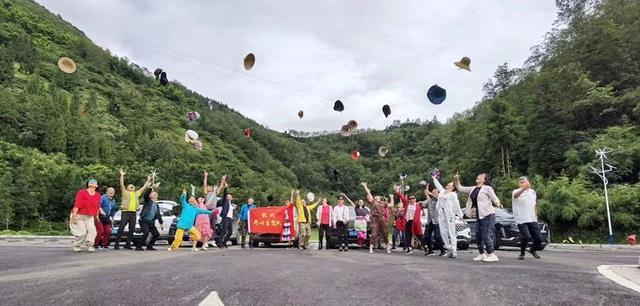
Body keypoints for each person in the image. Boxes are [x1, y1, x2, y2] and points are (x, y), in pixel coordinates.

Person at [455, 172, 503, 262]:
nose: (478, 176)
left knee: (486, 234)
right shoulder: (473, 188)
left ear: (484, 179)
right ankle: (482, 254)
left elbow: (494, 197)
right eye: (478, 175)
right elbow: (460, 188)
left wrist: (498, 203)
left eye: (481, 176)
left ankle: (492, 254)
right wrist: (456, 180)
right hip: (479, 215)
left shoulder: (487, 188)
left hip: (488, 214)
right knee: (478, 235)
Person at [115, 169, 151, 250]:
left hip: (133, 213)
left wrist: (148, 180)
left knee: (131, 229)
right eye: (130, 186)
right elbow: (121, 185)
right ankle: (116, 243)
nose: (132, 186)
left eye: (133, 186)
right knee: (121, 228)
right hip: (125, 212)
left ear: (134, 188)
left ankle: (127, 244)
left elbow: (143, 188)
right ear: (127, 188)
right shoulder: (125, 192)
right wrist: (122, 175)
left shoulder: (136, 193)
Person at [432, 175, 463, 258]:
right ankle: (448, 248)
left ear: (453, 187)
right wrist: (434, 178)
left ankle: (454, 250)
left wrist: (460, 214)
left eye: (450, 184)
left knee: (451, 231)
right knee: (443, 232)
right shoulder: (442, 192)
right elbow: (438, 186)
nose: (448, 184)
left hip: (449, 214)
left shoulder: (453, 194)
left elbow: (456, 205)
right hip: (441, 213)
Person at [512, 176, 542, 260]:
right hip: (521, 218)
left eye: (523, 182)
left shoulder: (532, 192)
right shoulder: (516, 191)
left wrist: (535, 215)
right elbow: (515, 196)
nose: (522, 184)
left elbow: (534, 204)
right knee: (526, 236)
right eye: (520, 182)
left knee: (539, 238)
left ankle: (532, 250)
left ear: (528, 182)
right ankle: (522, 253)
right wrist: (523, 189)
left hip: (532, 218)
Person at [70, 179, 102, 253]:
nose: (93, 184)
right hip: (78, 215)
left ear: (97, 186)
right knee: (82, 233)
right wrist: (74, 216)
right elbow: (77, 204)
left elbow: (97, 206)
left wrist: (97, 216)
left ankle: (90, 245)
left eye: (95, 183)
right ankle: (76, 245)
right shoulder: (82, 193)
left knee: (93, 231)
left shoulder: (98, 195)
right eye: (91, 182)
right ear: (88, 184)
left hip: (89, 216)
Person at [361, 182, 393, 254]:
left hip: (382, 218)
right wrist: (365, 186)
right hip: (375, 218)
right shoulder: (373, 202)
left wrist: (392, 198)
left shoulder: (384, 203)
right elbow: (369, 194)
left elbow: (391, 205)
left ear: (380, 198)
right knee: (374, 233)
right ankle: (371, 247)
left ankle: (387, 247)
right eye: (376, 197)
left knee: (385, 233)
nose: (377, 197)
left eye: (378, 197)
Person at [395, 187, 423, 254]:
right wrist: (398, 191)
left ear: (415, 199)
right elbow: (402, 197)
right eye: (410, 198)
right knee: (408, 235)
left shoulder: (418, 206)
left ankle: (425, 246)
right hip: (408, 221)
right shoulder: (407, 203)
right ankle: (409, 248)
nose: (411, 200)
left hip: (415, 223)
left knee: (419, 235)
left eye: (413, 198)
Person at [138, 186, 163, 251]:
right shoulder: (147, 201)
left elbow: (158, 215)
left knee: (156, 234)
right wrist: (150, 188)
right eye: (153, 193)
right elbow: (146, 194)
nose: (154, 194)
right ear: (150, 195)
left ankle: (149, 246)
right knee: (146, 233)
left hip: (151, 222)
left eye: (155, 194)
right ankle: (138, 246)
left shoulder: (157, 205)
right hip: (143, 221)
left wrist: (161, 223)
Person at [423, 185, 445, 256]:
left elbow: (437, 197)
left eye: (434, 192)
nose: (433, 193)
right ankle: (431, 251)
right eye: (432, 192)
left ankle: (443, 251)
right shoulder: (430, 200)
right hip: (430, 221)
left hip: (437, 221)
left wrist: (429, 192)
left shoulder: (439, 199)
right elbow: (423, 203)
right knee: (426, 237)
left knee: (437, 237)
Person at [203, 171, 224, 247]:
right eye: (209, 187)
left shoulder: (215, 193)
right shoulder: (206, 193)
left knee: (213, 226)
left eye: (211, 187)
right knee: (206, 226)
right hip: (207, 211)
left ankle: (212, 240)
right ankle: (205, 241)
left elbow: (221, 187)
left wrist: (222, 180)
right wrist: (206, 176)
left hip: (214, 211)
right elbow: (205, 185)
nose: (210, 188)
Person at [219, 178, 235, 249]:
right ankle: (220, 244)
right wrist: (226, 187)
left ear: (232, 198)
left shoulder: (231, 204)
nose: (229, 197)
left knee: (230, 232)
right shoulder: (225, 202)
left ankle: (224, 242)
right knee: (224, 231)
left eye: (230, 197)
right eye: (228, 196)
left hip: (230, 219)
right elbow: (225, 194)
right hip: (225, 218)